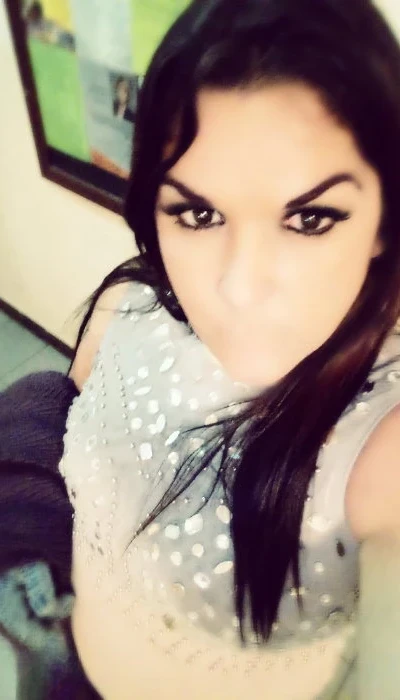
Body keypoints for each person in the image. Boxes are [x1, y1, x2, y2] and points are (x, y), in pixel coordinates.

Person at [61, 0, 400, 697]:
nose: (240, 288)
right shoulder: (131, 305)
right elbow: (66, 407)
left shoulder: (384, 445)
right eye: (197, 213)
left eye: (311, 219)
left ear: (385, 224)